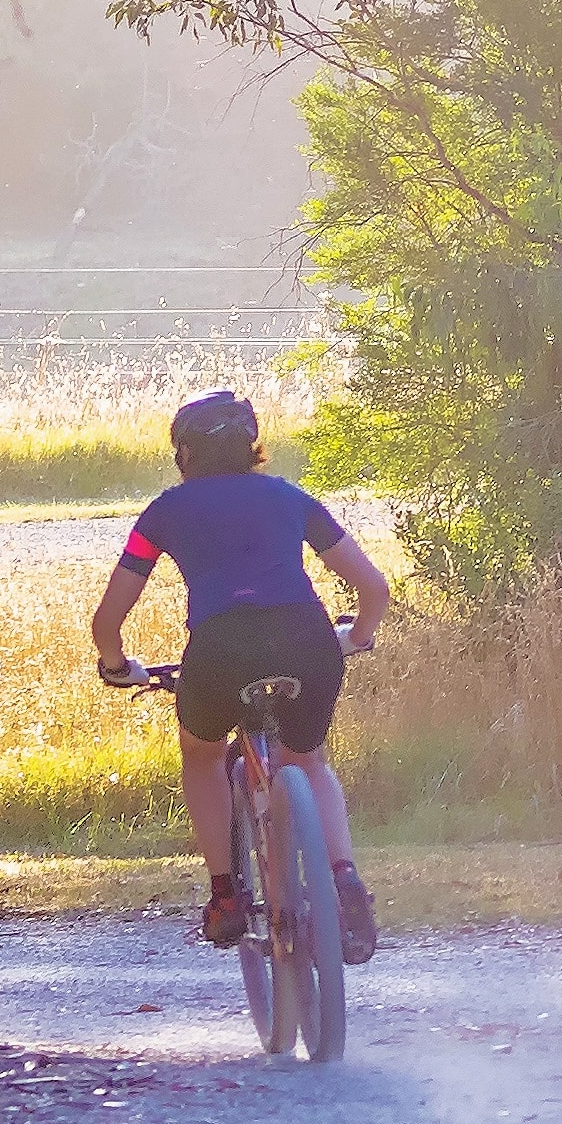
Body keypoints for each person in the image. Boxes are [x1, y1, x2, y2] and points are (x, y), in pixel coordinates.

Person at [89, 388, 390, 964]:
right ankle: (345, 880)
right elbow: (373, 589)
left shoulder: (164, 514)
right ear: (254, 449)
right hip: (306, 639)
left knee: (202, 754)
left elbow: (109, 619)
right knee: (308, 759)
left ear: (184, 457)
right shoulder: (290, 497)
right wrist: (358, 636)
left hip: (220, 649)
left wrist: (115, 663)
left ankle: (225, 895)